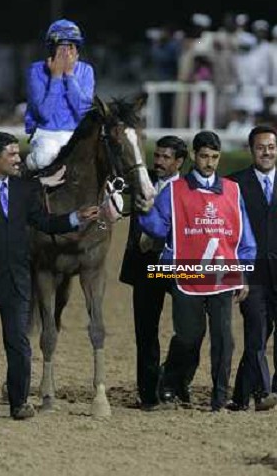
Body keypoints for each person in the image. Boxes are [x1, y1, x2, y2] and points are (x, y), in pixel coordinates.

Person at [0, 132, 98, 420]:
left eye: (18, 153)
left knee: (18, 342)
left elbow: (43, 222)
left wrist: (76, 218)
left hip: (16, 279)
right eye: (12, 154)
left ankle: (19, 403)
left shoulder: (25, 189)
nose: (18, 159)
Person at [138, 131, 257, 411]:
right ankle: (170, 380)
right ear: (193, 156)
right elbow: (159, 228)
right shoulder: (175, 191)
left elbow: (244, 237)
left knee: (224, 340)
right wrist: (145, 212)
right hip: (187, 274)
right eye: (204, 156)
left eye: (215, 157)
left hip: (222, 274)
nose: (210, 162)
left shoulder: (232, 190)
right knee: (189, 336)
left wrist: (244, 275)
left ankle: (219, 397)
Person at [227, 126, 277, 410]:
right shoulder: (234, 185)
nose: (267, 152)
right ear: (251, 150)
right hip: (252, 276)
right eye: (261, 147)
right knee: (256, 334)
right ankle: (262, 392)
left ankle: (242, 396)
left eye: (271, 147)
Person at [119, 136, 188, 411]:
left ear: (180, 161)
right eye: (157, 155)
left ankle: (173, 382)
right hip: (146, 266)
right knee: (145, 332)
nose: (158, 161)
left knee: (188, 331)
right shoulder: (140, 179)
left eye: (165, 157)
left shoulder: (190, 187)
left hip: (179, 265)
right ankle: (149, 395)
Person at [25, 19, 95, 171]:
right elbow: (44, 114)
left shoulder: (86, 70)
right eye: (61, 47)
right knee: (47, 156)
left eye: (71, 46)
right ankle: (30, 164)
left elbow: (83, 111)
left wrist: (69, 75)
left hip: (76, 134)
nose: (66, 52)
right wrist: (55, 77)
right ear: (52, 49)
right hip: (45, 133)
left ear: (77, 49)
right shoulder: (36, 70)